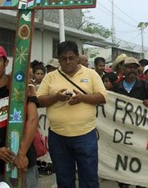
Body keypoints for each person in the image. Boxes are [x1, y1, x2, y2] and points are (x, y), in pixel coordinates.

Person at [37, 41, 107, 188]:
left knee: (89, 179)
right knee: (64, 179)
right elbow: (39, 100)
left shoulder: (91, 74)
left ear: (77, 57)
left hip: (85, 135)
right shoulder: (50, 77)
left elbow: (102, 97)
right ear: (58, 59)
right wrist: (56, 97)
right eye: (63, 58)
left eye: (71, 58)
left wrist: (82, 98)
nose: (67, 61)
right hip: (58, 137)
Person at [0, 45, 39, 187]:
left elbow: (33, 119)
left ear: (6, 63)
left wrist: (21, 154)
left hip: (23, 162)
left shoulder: (20, 87)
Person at [114, 56, 148, 188]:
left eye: (134, 67)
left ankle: (140, 184)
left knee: (139, 160)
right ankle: (123, 182)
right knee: (123, 160)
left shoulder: (145, 86)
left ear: (138, 70)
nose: (131, 70)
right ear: (122, 70)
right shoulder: (116, 88)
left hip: (139, 134)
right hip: (122, 133)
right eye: (129, 67)